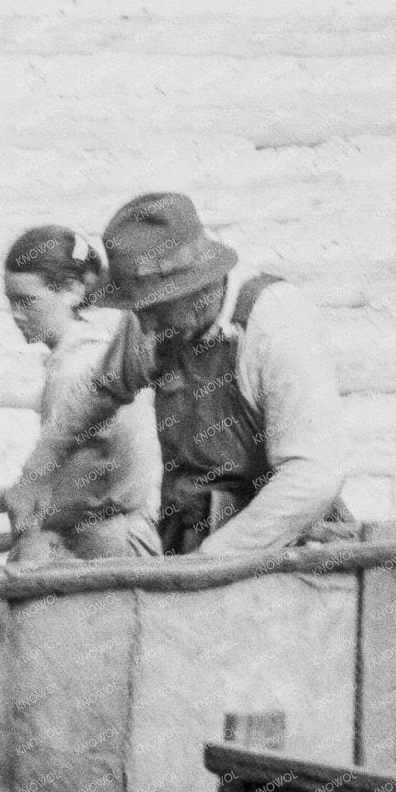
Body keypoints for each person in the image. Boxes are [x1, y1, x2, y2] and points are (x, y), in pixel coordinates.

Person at [73, 193, 352, 555]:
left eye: (154, 307)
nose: (143, 323)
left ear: (196, 286)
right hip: (190, 529)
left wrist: (218, 556)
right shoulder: (151, 321)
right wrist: (38, 475)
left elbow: (313, 473)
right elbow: (99, 392)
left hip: (280, 541)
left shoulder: (275, 320)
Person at [0, 226, 162, 562]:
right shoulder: (87, 350)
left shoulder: (77, 368)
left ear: (71, 290)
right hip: (98, 533)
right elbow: (66, 475)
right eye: (11, 302)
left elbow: (86, 494)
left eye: (27, 301)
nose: (16, 314)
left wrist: (24, 526)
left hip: (112, 547)